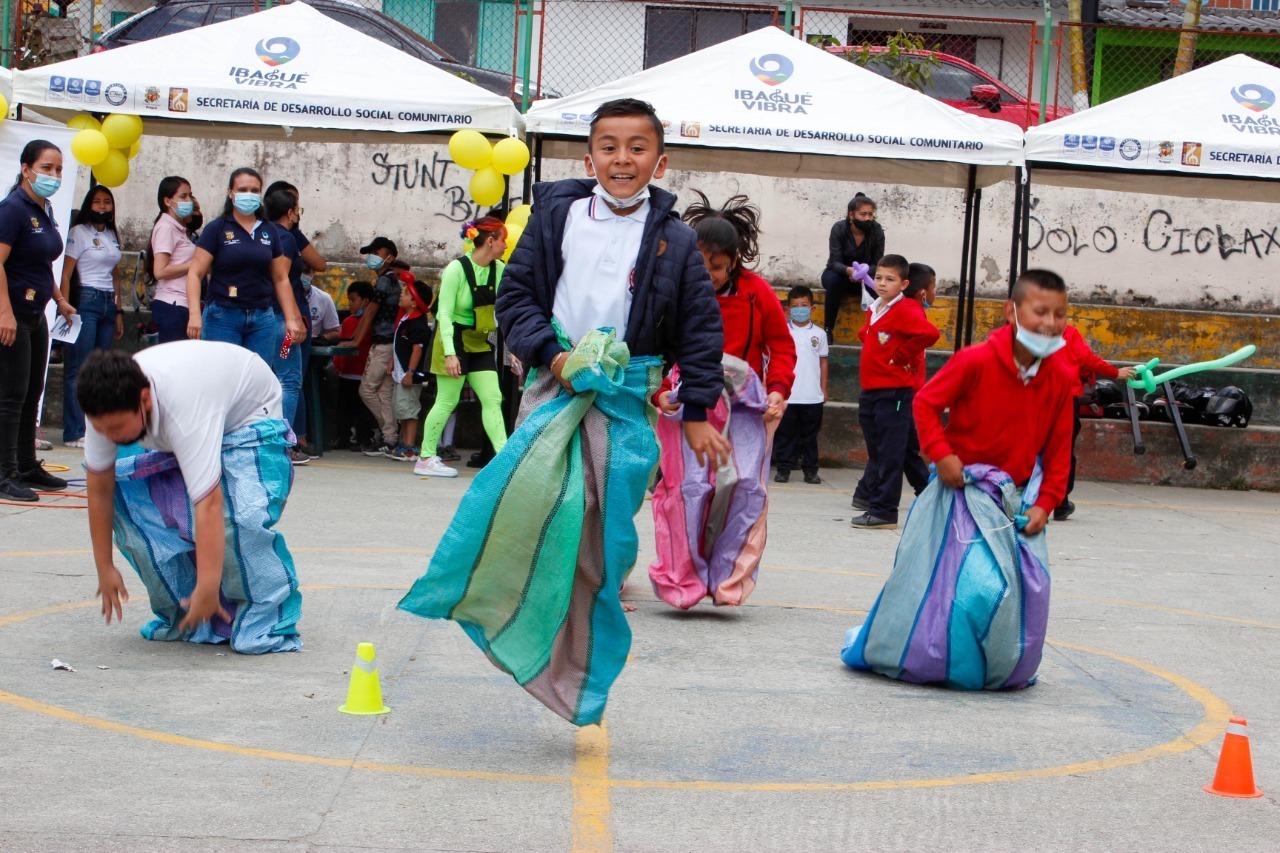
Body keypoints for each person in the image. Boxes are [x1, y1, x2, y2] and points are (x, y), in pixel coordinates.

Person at [398, 98, 726, 726]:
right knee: (526, 507)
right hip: (555, 390)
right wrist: (553, 358)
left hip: (626, 402)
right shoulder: (557, 218)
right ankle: (508, 621)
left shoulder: (677, 242)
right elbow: (518, 299)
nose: (622, 159)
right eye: (609, 145)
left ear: (660, 159)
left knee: (598, 539)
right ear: (589, 156)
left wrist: (697, 411)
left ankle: (577, 667)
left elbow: (698, 329)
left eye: (636, 147)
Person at [841, 269, 1075, 690]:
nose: (1050, 323)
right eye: (1040, 312)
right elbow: (927, 404)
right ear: (1012, 311)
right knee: (963, 587)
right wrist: (942, 454)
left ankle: (996, 666)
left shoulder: (1059, 376)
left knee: (1013, 590)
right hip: (960, 493)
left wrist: (1047, 502)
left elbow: (1059, 450)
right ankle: (931, 657)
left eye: (1060, 315)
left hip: (1011, 504)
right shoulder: (975, 360)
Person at [79, 344, 302, 653]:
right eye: (103, 430)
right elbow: (99, 490)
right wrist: (104, 566)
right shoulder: (103, 411)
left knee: (240, 518)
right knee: (132, 499)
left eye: (116, 428)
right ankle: (186, 611)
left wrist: (208, 587)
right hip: (195, 408)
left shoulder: (185, 408)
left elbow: (209, 503)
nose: (110, 436)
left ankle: (266, 619)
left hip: (249, 415)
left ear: (144, 400)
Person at [648, 191, 795, 609]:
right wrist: (660, 393)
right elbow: (654, 348)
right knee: (688, 487)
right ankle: (683, 581)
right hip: (687, 399)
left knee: (746, 485)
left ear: (733, 261)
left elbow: (781, 346)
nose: (708, 274)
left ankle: (727, 579)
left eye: (717, 266)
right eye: (700, 264)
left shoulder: (756, 292)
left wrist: (778, 389)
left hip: (745, 405)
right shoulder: (673, 290)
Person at [0, 139, 72, 502]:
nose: (54, 175)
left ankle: (27, 465)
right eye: (47, 168)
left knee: (32, 393)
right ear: (27, 169)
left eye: (58, 169)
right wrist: (4, 312)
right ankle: (5, 473)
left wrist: (59, 300)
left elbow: (43, 262)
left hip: (36, 313)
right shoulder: (13, 208)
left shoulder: (43, 209)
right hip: (12, 314)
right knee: (11, 396)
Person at [413, 218, 509, 478]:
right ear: (490, 241)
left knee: (493, 398)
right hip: (452, 339)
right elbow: (443, 314)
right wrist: (450, 354)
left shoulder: (499, 269)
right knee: (447, 400)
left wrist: (513, 350)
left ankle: (505, 460)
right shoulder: (456, 269)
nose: (505, 246)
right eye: (503, 241)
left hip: (481, 341)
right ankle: (425, 457)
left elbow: (507, 311)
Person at [850, 254, 940, 530]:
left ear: (904, 284)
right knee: (895, 450)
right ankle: (930, 495)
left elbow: (929, 334)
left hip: (894, 392)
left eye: (890, 279)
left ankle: (885, 510)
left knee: (889, 453)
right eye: (878, 277)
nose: (882, 283)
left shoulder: (907, 309)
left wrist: (900, 355)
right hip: (871, 390)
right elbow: (868, 333)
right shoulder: (876, 307)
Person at [185, 168, 306, 365]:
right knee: (224, 379)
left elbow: (281, 278)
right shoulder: (217, 228)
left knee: (258, 379)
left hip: (262, 318)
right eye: (242, 189)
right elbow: (195, 273)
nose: (248, 195)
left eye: (254, 190)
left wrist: (291, 319)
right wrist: (194, 315)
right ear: (230, 193)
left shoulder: (269, 231)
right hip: (223, 315)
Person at [59, 185, 124, 448]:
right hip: (85, 301)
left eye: (107, 202)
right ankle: (74, 431)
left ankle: (95, 429)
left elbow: (117, 275)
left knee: (100, 370)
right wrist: (65, 305)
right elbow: (65, 273)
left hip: (108, 303)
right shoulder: (79, 233)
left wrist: (119, 310)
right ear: (88, 205)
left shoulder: (111, 234)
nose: (102, 206)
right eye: (96, 201)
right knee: (79, 367)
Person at [1058, 325, 1134, 521]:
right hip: (1064, 398)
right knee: (1062, 451)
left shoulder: (1026, 329)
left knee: (1035, 449)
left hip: (1034, 398)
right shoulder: (1066, 331)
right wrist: (1115, 373)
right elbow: (1086, 358)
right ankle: (1060, 503)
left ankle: (1026, 499)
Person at [263, 189, 309, 465]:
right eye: (297, 209)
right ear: (290, 212)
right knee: (289, 380)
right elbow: (281, 279)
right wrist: (294, 319)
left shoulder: (262, 234)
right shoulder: (286, 239)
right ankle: (282, 443)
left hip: (263, 318)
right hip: (282, 322)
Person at [347, 236, 402, 456]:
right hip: (391, 344)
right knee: (384, 392)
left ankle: (389, 432)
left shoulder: (383, 282)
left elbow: (369, 314)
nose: (371, 257)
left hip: (383, 344)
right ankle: (389, 438)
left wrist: (355, 340)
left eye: (376, 253)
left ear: (389, 257)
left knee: (367, 389)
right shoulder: (392, 281)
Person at [774, 285, 828, 486]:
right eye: (795, 306)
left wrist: (824, 388)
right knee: (785, 435)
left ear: (812, 308)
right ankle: (783, 469)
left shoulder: (819, 335)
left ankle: (811, 471)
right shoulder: (782, 332)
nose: (799, 309)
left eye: (804, 305)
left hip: (812, 395)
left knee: (810, 437)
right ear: (788, 309)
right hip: (788, 395)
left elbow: (823, 362)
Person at [822, 193, 884, 340]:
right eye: (863, 214)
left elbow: (878, 263)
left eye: (870, 214)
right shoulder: (839, 229)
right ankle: (828, 329)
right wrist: (848, 270)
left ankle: (878, 332)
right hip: (842, 276)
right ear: (851, 214)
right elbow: (834, 262)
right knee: (833, 280)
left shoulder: (877, 231)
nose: (868, 218)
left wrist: (864, 274)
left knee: (881, 286)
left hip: (866, 278)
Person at [147, 176, 201, 344]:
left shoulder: (180, 229)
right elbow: (160, 271)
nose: (189, 200)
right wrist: (194, 266)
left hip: (182, 303)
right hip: (172, 304)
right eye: (183, 196)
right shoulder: (166, 227)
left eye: (190, 195)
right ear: (168, 201)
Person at [901, 262, 937, 497]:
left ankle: (867, 489)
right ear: (923, 291)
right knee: (904, 442)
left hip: (910, 388)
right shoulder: (910, 311)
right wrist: (901, 357)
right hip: (904, 389)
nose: (935, 293)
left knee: (904, 441)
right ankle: (924, 486)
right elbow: (930, 334)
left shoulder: (912, 310)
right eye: (934, 287)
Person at [387, 281, 432, 460]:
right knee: (402, 410)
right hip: (401, 374)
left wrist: (411, 372)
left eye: (406, 293)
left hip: (410, 375)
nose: (401, 295)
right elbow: (400, 345)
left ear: (414, 303)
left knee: (410, 411)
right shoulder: (406, 319)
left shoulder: (418, 324)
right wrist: (392, 360)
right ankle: (404, 443)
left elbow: (417, 349)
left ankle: (410, 447)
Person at [333, 281, 376, 451]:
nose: (350, 304)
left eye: (353, 300)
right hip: (346, 373)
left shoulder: (372, 323)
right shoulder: (348, 321)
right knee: (343, 409)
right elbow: (341, 344)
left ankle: (363, 438)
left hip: (363, 373)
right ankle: (342, 437)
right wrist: (337, 364)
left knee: (363, 410)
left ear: (365, 301)